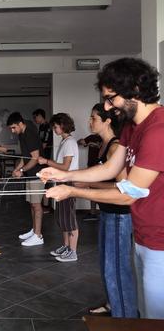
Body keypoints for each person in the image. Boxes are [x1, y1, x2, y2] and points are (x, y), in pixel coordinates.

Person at [41, 57, 164, 319]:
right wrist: (64, 175)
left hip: (161, 242)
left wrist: (73, 191)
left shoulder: (158, 130)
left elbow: (130, 193)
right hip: (144, 234)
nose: (108, 107)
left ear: (135, 91)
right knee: (146, 313)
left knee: (155, 317)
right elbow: (110, 169)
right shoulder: (132, 126)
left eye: (111, 98)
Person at [77, 104, 137, 318]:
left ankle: (125, 319)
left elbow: (122, 186)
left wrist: (87, 185)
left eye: (93, 118)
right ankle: (113, 304)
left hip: (120, 215)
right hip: (107, 212)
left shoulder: (115, 146)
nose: (89, 121)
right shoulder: (102, 145)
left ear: (107, 121)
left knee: (116, 269)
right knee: (106, 265)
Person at [38, 113, 79, 262]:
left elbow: (65, 167)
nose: (54, 129)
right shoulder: (64, 141)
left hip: (68, 183)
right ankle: (66, 246)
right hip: (62, 182)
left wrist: (46, 162)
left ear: (62, 126)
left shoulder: (70, 142)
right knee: (62, 217)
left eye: (55, 127)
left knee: (69, 218)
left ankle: (72, 252)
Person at [6, 112, 45, 247]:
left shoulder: (30, 133)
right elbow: (26, 157)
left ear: (20, 123)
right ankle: (34, 231)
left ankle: (38, 236)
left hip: (37, 174)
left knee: (37, 205)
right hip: (30, 173)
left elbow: (35, 158)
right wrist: (17, 169)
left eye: (13, 127)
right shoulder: (22, 133)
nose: (12, 131)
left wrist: (21, 171)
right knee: (32, 204)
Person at [78, 133, 102, 221]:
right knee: (92, 189)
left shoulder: (106, 138)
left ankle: (102, 212)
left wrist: (95, 145)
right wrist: (84, 142)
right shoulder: (92, 137)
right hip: (91, 166)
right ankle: (93, 213)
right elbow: (79, 142)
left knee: (100, 189)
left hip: (101, 167)